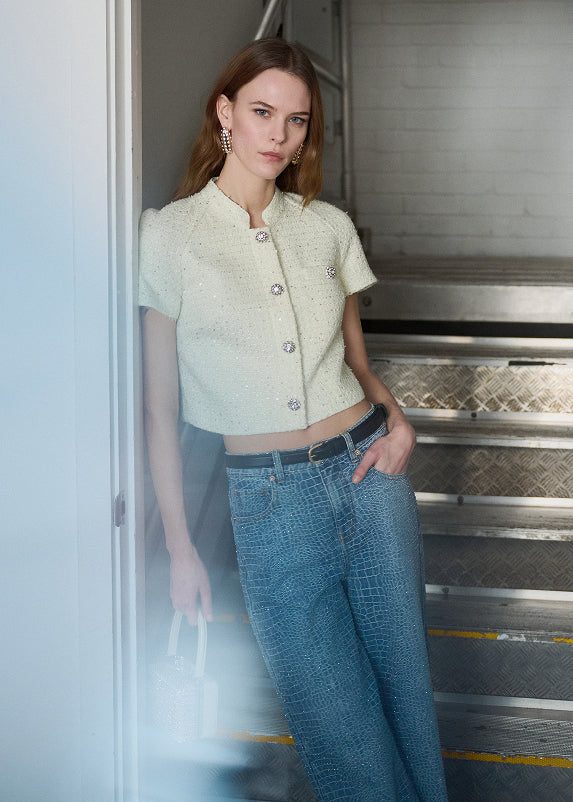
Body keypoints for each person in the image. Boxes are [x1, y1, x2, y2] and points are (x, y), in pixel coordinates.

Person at [140, 37, 447, 802]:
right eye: (261, 112)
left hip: (371, 480)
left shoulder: (327, 228)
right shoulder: (169, 235)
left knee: (405, 700)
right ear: (225, 113)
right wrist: (178, 546)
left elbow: (358, 364)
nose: (278, 134)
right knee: (337, 727)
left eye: (297, 120)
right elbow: (160, 408)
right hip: (271, 503)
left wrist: (400, 424)